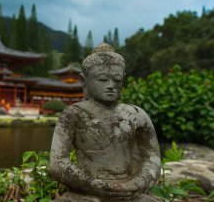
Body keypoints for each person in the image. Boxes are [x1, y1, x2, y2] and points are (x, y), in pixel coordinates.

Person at [49, 43, 162, 202]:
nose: (111, 85)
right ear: (84, 81)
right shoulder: (74, 114)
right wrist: (94, 185)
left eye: (117, 79)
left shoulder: (137, 114)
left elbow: (152, 158)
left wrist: (137, 184)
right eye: (102, 79)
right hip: (88, 192)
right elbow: (57, 163)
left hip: (131, 191)